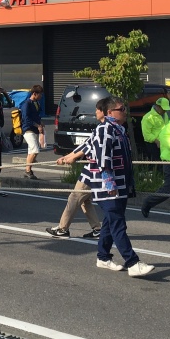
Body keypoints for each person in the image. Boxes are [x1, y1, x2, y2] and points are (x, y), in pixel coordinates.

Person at [88, 97, 154, 277]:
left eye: (124, 108)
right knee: (118, 223)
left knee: (110, 222)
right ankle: (132, 262)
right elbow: (102, 157)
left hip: (121, 183)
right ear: (110, 112)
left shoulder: (119, 129)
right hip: (107, 185)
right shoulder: (105, 129)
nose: (125, 111)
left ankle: (103, 257)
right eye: (121, 109)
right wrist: (109, 182)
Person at [46, 99, 104, 239]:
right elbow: (85, 145)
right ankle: (97, 229)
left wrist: (72, 157)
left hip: (94, 170)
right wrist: (68, 156)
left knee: (75, 197)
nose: (95, 112)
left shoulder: (103, 129)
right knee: (85, 200)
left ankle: (62, 228)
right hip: (91, 169)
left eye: (97, 109)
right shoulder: (101, 128)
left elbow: (88, 147)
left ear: (104, 111)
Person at [20, 84, 45, 179]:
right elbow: (26, 118)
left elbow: (36, 116)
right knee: (35, 150)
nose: (41, 96)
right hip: (28, 130)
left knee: (31, 152)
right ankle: (27, 170)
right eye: (40, 94)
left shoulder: (37, 103)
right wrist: (37, 125)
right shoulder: (26, 104)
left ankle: (28, 170)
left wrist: (40, 122)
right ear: (34, 93)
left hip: (34, 130)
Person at [140, 97, 170, 164]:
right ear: (158, 106)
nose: (165, 111)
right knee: (158, 165)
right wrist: (156, 141)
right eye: (163, 109)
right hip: (153, 144)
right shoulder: (148, 118)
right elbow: (146, 135)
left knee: (165, 164)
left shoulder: (165, 115)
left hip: (164, 143)